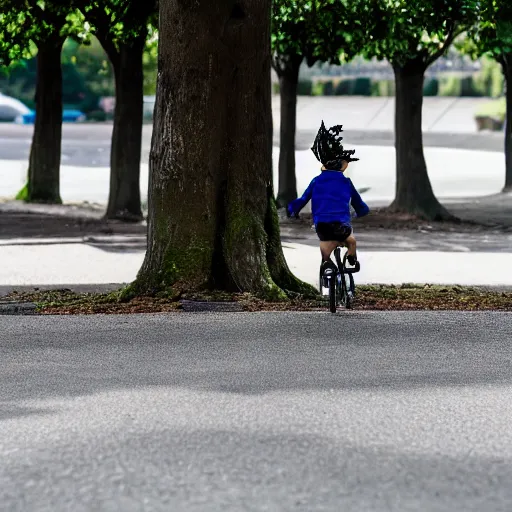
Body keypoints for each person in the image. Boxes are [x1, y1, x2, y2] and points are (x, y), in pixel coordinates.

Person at [287, 121, 369, 276]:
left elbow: (303, 199)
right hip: (340, 224)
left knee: (325, 246)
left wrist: (292, 210)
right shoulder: (346, 182)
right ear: (342, 166)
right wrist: (361, 212)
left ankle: (327, 264)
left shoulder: (316, 181)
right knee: (351, 241)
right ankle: (351, 259)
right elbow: (358, 203)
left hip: (322, 225)